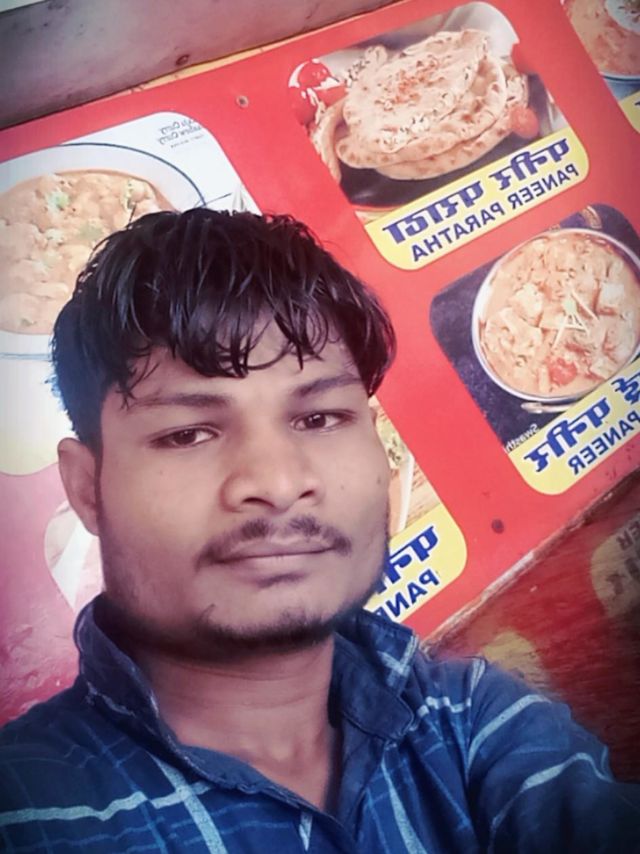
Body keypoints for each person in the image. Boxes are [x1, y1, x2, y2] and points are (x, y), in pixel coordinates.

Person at [0, 209, 638, 854]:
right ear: (87, 488)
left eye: (320, 418)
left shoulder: (471, 719)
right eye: (188, 434)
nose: (279, 482)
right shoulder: (34, 811)